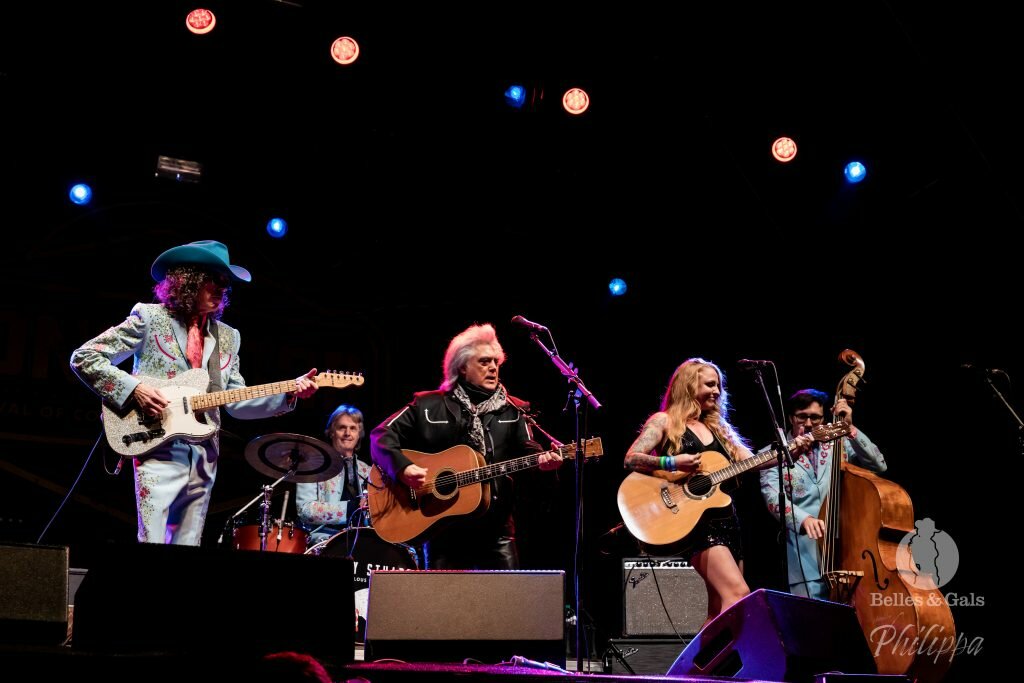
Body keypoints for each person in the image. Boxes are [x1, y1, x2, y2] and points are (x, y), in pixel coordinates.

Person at [70, 239, 318, 545]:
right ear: (188, 281)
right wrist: (135, 389)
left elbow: (236, 401)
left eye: (226, 283)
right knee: (152, 544)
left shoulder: (228, 337)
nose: (222, 289)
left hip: (204, 453)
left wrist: (288, 394)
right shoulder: (149, 318)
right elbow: (85, 357)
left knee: (188, 549)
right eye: (215, 280)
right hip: (156, 444)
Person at [370, 322, 562, 569]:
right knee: (445, 595)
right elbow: (380, 435)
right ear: (461, 367)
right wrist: (403, 468)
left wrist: (544, 464)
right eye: (484, 362)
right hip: (441, 529)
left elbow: (529, 451)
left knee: (508, 594)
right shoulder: (428, 405)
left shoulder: (514, 409)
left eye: (496, 362)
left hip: (497, 531)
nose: (493, 367)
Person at [623, 358, 756, 624]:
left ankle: (704, 654)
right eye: (710, 384)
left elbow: (753, 461)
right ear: (688, 386)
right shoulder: (664, 421)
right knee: (739, 595)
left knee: (718, 610)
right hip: (696, 525)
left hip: (727, 521)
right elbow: (631, 459)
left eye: (718, 386)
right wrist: (672, 462)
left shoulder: (719, 427)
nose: (717, 391)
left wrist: (795, 447)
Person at [759, 388, 887, 599]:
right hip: (805, 557)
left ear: (824, 418)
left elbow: (878, 465)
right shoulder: (771, 456)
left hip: (849, 551)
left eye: (816, 418)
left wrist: (849, 428)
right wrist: (803, 519)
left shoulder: (840, 442)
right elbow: (772, 498)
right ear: (791, 418)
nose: (809, 424)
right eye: (802, 417)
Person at [296, 404, 372, 546]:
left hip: (361, 540)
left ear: (359, 434)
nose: (347, 433)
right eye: (342, 428)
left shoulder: (368, 471)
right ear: (331, 432)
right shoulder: (313, 465)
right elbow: (304, 510)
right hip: (323, 540)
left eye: (353, 428)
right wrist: (350, 508)